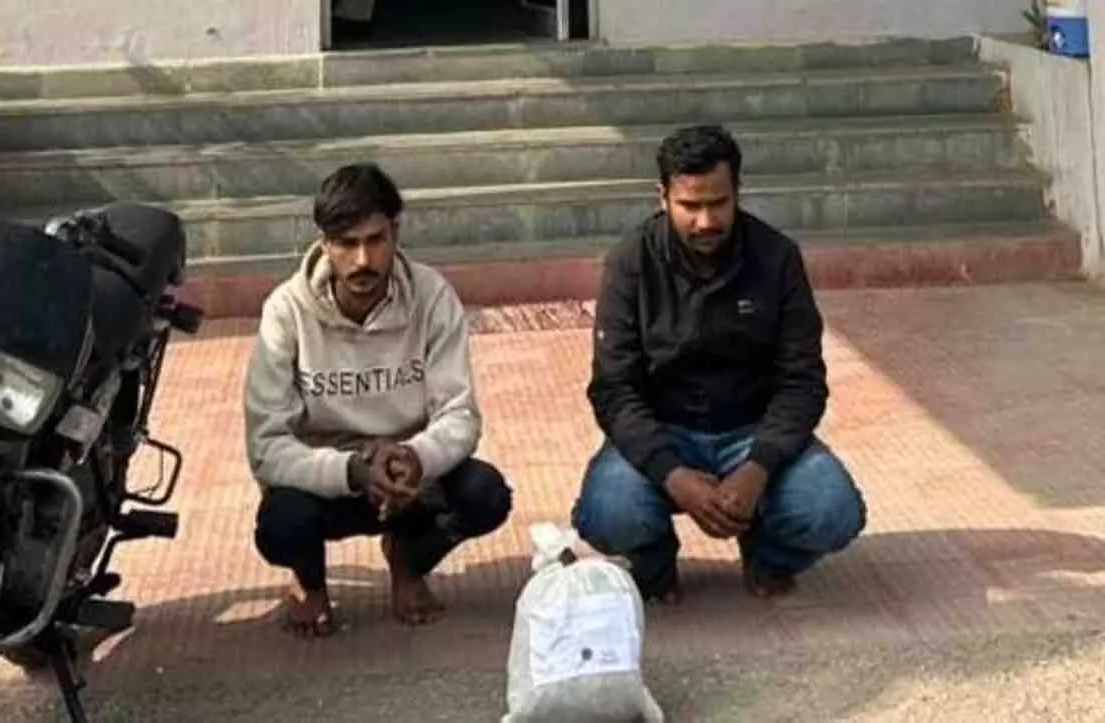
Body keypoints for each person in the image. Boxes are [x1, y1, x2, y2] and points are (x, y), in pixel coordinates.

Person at [572, 124, 867, 604]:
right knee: (609, 514)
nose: (706, 221)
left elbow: (803, 382)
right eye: (690, 206)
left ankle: (767, 555)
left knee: (831, 512)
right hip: (663, 429)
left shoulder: (778, 258)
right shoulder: (630, 263)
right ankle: (653, 567)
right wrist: (672, 473)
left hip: (753, 430)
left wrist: (759, 467)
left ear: (737, 193)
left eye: (718, 203)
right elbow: (614, 389)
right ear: (662, 197)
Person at [242, 162, 513, 637]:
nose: (363, 260)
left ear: (396, 233)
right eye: (346, 243)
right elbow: (267, 446)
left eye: (375, 240)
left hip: (409, 481)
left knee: (485, 494)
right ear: (324, 242)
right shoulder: (286, 310)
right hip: (328, 481)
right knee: (281, 524)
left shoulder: (432, 296)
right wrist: (350, 470)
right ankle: (310, 581)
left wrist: (414, 458)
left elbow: (460, 415)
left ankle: (408, 561)